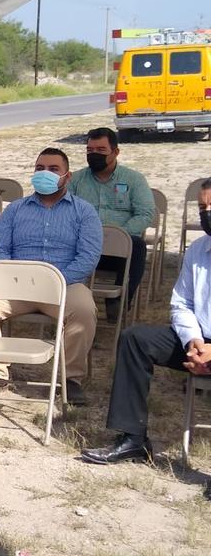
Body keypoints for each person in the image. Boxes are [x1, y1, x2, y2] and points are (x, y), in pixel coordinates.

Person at [82, 179, 211, 464]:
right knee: (135, 339)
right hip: (200, 342)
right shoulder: (199, 249)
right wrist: (194, 342)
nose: (207, 212)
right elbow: (181, 303)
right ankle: (133, 439)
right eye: (203, 207)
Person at [0, 147, 102, 405]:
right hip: (17, 285)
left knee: (84, 310)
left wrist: (54, 282)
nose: (45, 173)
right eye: (40, 168)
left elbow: (88, 257)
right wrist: (11, 276)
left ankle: (70, 379)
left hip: (65, 285)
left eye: (53, 169)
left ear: (67, 176)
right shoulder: (15, 209)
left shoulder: (84, 212)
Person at [68, 127, 155, 320]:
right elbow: (64, 211)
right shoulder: (76, 180)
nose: (94, 155)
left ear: (115, 152)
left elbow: (145, 213)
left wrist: (119, 237)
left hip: (118, 249)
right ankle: (64, 302)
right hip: (84, 246)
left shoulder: (134, 179)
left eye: (101, 150)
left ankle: (119, 302)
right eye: (90, 151)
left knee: (138, 246)